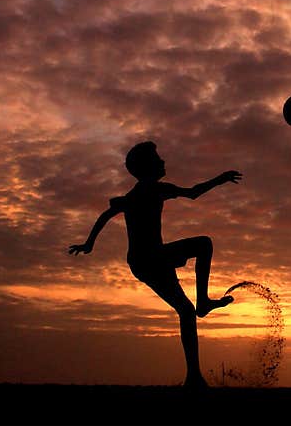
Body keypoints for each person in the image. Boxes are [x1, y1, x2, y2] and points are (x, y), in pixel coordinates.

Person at [69, 141, 242, 388]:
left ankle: (194, 376)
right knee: (204, 244)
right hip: (150, 258)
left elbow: (107, 214)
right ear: (147, 167)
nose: (163, 162)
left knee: (185, 311)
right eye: (157, 159)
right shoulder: (151, 191)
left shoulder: (140, 194)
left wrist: (89, 244)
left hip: (143, 262)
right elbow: (193, 193)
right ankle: (202, 303)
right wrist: (220, 179)